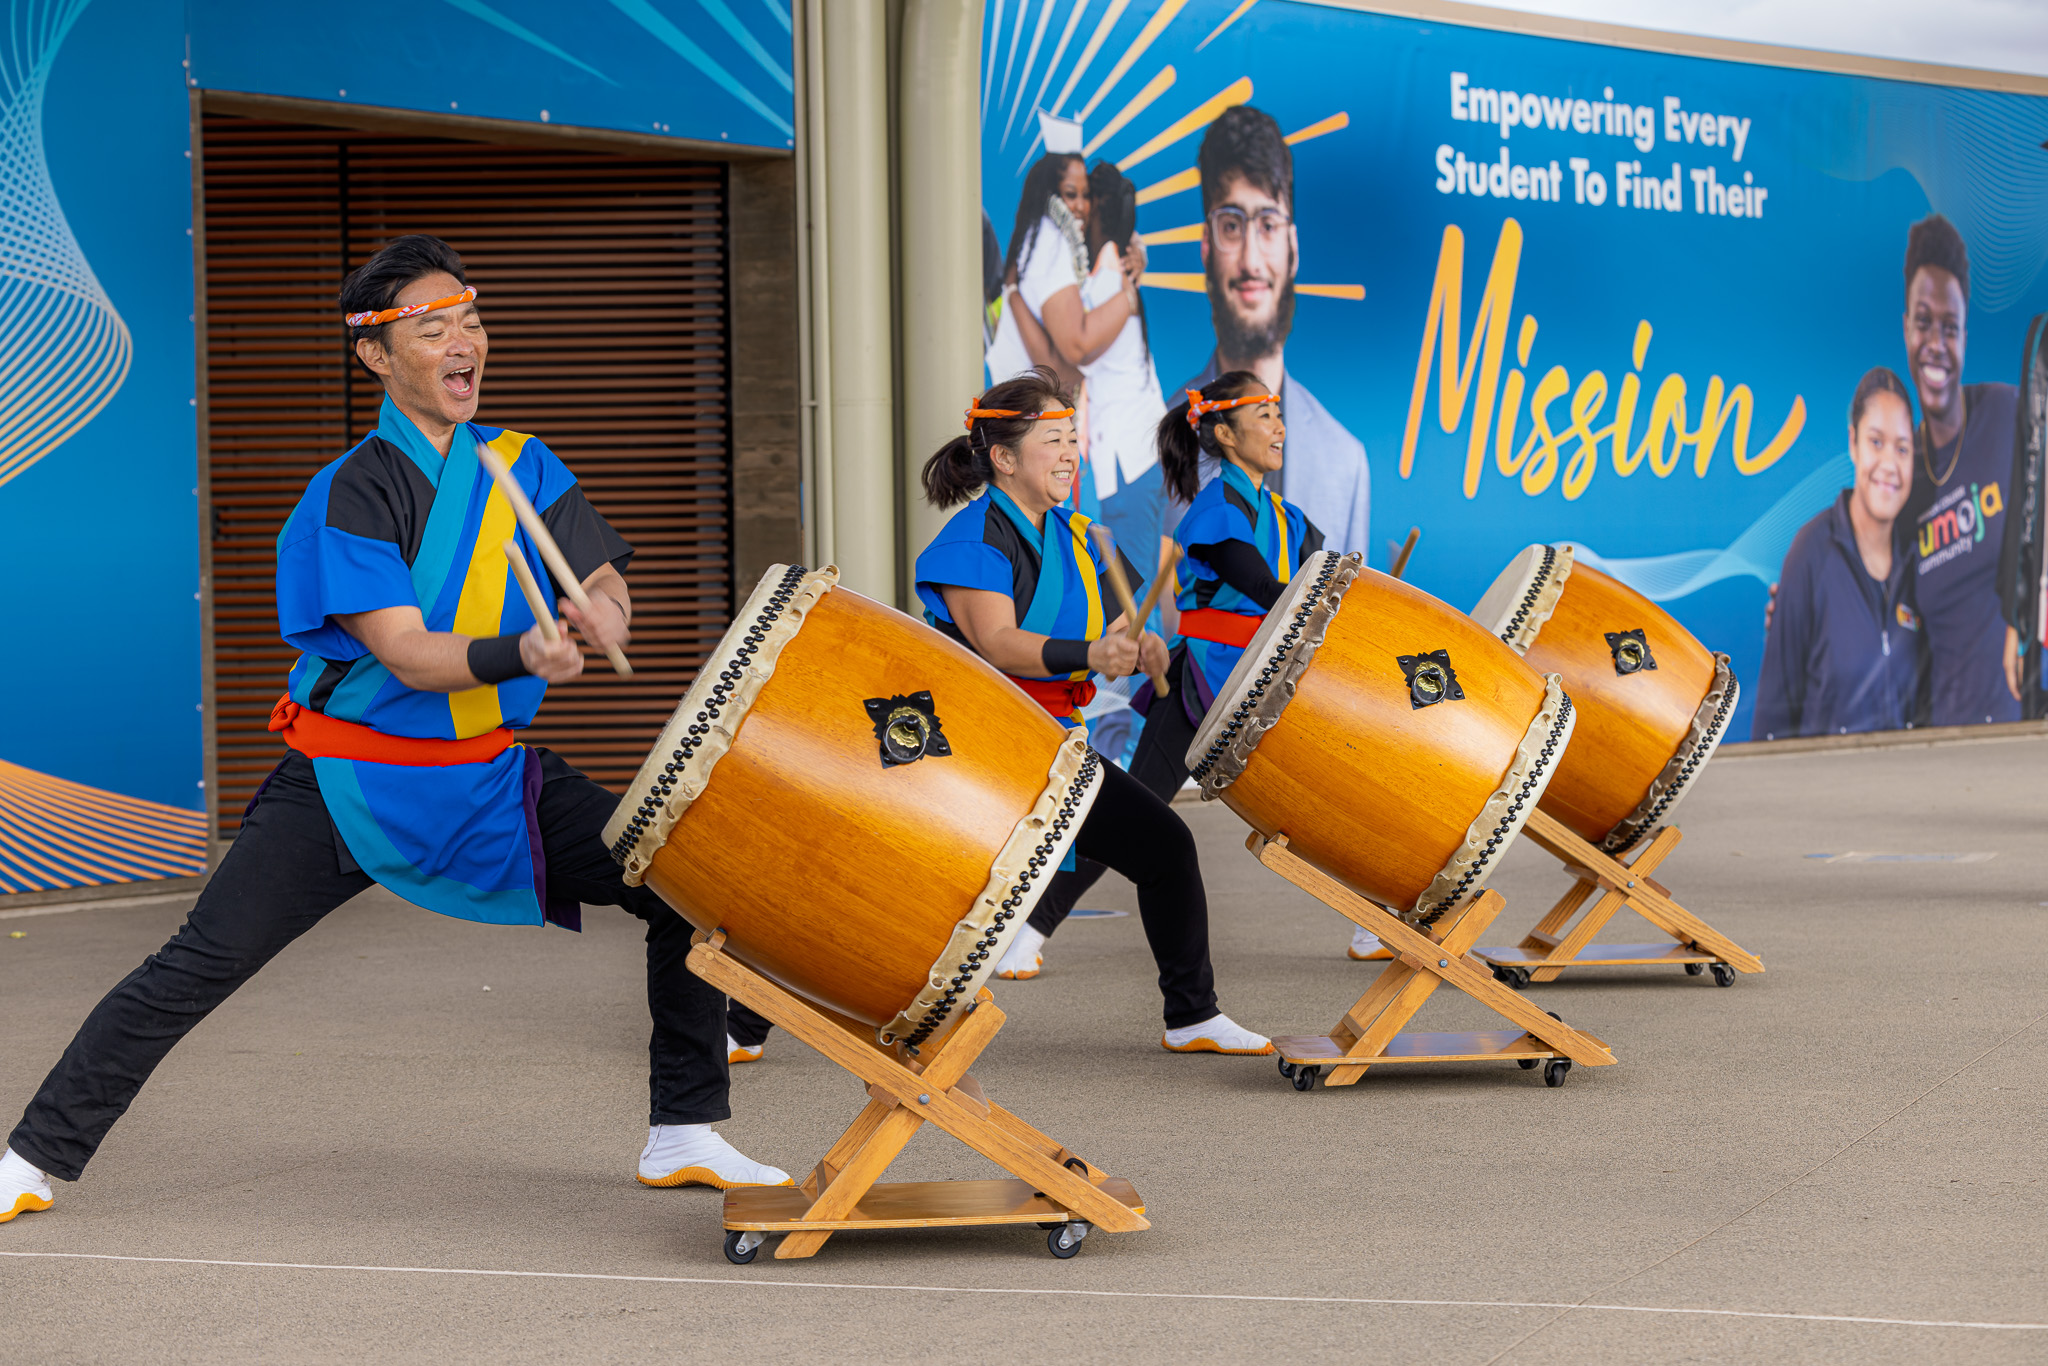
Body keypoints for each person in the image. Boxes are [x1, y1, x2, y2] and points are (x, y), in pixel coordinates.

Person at [0, 236, 787, 1227]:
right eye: (433, 327)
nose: (464, 343)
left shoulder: (521, 464)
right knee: (201, 961)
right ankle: (31, 1155)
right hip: (349, 782)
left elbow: (600, 577)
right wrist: (522, 653)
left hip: (490, 779)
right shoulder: (353, 491)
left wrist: (601, 614)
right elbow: (409, 654)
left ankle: (684, 1129)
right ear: (375, 355)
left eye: (471, 321)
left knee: (682, 875)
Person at [918, 369, 1270, 1055]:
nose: (1070, 452)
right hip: (978, 743)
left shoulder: (1081, 536)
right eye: (1053, 439)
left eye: (1073, 437)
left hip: (1053, 745)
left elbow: (1129, 626)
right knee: (911, 884)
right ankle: (748, 1017)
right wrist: (1093, 652)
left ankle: (1192, 1015)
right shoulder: (973, 541)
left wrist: (1146, 649)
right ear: (1004, 457)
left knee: (1165, 846)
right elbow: (998, 643)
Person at [997, 372, 1323, 978]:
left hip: (1275, 682)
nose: (1279, 427)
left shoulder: (1289, 517)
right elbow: (1261, 585)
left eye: (1280, 413)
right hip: (1207, 677)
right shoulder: (1215, 510)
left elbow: (1313, 582)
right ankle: (1032, 928)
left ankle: (1376, 917)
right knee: (1139, 813)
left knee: (1328, 800)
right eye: (1264, 415)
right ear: (1224, 433)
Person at [1173, 106, 1368, 561]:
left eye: (1267, 224)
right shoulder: (1157, 440)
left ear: (1292, 247)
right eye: (1231, 226)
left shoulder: (1346, 461)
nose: (1251, 260)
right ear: (1206, 246)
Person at [1896, 213, 2021, 726]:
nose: (1936, 344)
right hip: (1938, 743)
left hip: (2023, 727)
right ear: (1905, 325)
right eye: (1924, 321)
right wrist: (1801, 595)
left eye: (1950, 328)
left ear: (1966, 335)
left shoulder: (2011, 416)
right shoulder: (1899, 475)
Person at [1753, 367, 1925, 739]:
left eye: (1902, 448)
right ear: (1853, 443)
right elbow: (1772, 717)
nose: (1889, 465)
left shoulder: (1921, 560)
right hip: (1825, 793)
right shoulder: (1810, 552)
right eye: (1876, 442)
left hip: (1909, 790)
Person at [1072, 161, 1169, 772]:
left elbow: (1081, 343)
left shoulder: (1109, 272)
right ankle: (1123, 740)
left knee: (1131, 599)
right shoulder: (1113, 266)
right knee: (1123, 594)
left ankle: (1136, 750)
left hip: (1132, 462)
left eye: (1082, 201)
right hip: (1122, 462)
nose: (1073, 211)